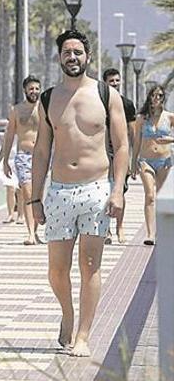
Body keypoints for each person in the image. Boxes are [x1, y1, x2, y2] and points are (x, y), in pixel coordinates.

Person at [31, 29, 128, 357]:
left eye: (78, 52)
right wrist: (34, 198)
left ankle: (83, 336)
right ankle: (68, 314)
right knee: (57, 270)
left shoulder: (105, 95)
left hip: (97, 190)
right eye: (67, 52)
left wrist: (118, 191)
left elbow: (123, 145)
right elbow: (41, 152)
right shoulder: (48, 98)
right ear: (59, 57)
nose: (72, 57)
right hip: (59, 191)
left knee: (90, 265)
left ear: (88, 56)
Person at [0, 75, 42, 244]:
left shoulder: (44, 109)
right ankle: (30, 233)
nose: (34, 91)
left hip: (41, 156)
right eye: (31, 88)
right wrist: (5, 160)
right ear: (25, 90)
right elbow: (9, 136)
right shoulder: (17, 110)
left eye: (37, 88)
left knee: (39, 196)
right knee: (28, 194)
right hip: (23, 156)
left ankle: (35, 231)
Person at [131, 85, 173, 246]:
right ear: (149, 97)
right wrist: (133, 162)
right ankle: (150, 234)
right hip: (145, 161)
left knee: (162, 198)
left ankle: (163, 233)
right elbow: (136, 142)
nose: (157, 98)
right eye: (154, 95)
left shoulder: (169, 117)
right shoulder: (141, 118)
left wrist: (170, 140)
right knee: (150, 196)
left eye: (160, 96)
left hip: (164, 162)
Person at [102, 68, 138, 243]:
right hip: (101, 153)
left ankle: (119, 228)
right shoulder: (99, 103)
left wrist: (133, 160)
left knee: (119, 190)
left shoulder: (127, 104)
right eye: (111, 81)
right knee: (103, 191)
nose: (115, 83)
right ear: (105, 83)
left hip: (120, 153)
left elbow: (133, 134)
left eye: (117, 80)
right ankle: (106, 230)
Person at [0, 141, 22, 224]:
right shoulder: (9, 132)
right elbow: (3, 148)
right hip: (9, 162)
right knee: (10, 188)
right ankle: (10, 214)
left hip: (21, 162)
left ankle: (20, 216)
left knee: (20, 190)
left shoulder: (24, 130)